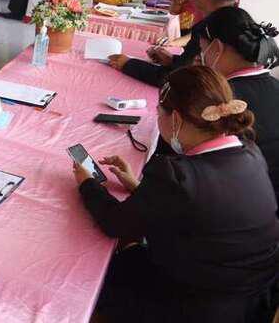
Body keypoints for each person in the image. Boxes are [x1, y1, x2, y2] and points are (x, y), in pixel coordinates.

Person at [73, 65, 279, 323]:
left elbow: (115, 222)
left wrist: (87, 183)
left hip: (196, 304)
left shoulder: (175, 175)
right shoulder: (249, 151)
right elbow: (200, 208)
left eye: (159, 112)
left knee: (94, 274)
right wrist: (138, 187)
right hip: (253, 300)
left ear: (176, 120)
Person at [107, 0, 243, 85]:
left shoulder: (209, 27)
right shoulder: (236, 20)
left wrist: (128, 64)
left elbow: (174, 78)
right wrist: (173, 60)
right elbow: (192, 65)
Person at [196, 7, 279, 204]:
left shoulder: (219, 102)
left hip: (241, 201)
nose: (201, 57)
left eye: (202, 49)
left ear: (216, 48)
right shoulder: (275, 85)